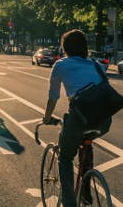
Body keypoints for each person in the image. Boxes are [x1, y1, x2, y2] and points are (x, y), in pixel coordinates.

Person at [42, 29, 112, 207]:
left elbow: (53, 96)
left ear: (65, 48)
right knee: (86, 143)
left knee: (65, 158)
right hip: (103, 121)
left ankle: (69, 204)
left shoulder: (61, 65)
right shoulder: (97, 65)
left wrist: (47, 117)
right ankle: (87, 195)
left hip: (79, 118)